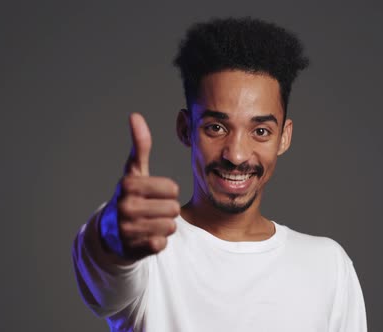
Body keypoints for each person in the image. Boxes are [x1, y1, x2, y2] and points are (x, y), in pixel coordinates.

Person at [72, 17, 367, 332]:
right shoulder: (148, 251)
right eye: (216, 127)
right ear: (186, 129)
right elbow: (103, 271)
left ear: (284, 137)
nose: (237, 154)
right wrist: (112, 233)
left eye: (261, 130)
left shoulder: (327, 266)